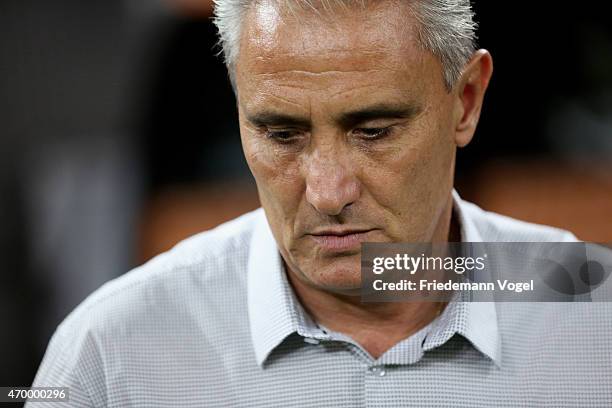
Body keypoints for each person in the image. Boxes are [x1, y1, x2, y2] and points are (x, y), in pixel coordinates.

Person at [29, 1, 612, 406]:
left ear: (465, 101)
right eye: (281, 134)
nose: (328, 193)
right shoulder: (112, 351)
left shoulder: (592, 314)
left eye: (375, 130)